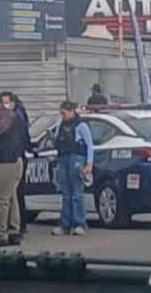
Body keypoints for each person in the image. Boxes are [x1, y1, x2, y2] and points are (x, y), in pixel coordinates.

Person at [0, 92, 27, 247]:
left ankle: (1, 235)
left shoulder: (7, 117)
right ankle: (14, 232)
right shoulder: (13, 116)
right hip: (15, 160)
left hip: (7, 161)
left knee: (1, 200)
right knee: (11, 198)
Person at [53, 101, 95, 236]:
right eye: (61, 113)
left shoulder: (81, 125)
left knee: (77, 193)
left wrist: (89, 164)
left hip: (76, 159)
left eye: (64, 113)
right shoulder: (61, 125)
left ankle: (79, 223)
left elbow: (90, 145)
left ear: (71, 111)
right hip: (63, 159)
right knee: (66, 194)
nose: (62, 116)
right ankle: (64, 224)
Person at [2, 91, 31, 234]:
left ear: (13, 103)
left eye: (7, 102)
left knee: (15, 192)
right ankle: (19, 224)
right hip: (16, 156)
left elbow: (21, 138)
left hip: (15, 157)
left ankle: (17, 225)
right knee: (15, 192)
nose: (4, 106)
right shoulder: (16, 115)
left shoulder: (16, 117)